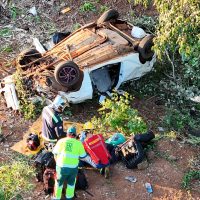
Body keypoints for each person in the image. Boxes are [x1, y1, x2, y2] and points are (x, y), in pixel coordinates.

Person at [52, 126, 87, 200]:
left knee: (58, 184)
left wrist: (57, 164)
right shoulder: (79, 143)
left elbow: (55, 153)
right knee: (71, 184)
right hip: (73, 169)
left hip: (61, 167)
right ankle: (69, 197)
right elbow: (83, 156)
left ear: (67, 134)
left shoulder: (61, 141)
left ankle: (56, 198)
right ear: (75, 135)